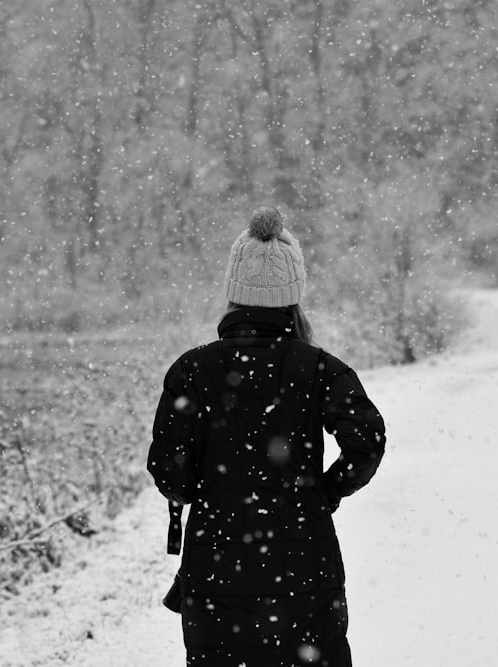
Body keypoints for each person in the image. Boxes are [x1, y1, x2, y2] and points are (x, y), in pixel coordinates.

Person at [148, 206, 386, 667]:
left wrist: (215, 496)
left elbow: (170, 473)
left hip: (216, 565)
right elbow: (366, 442)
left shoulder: (192, 370)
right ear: (294, 298)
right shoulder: (320, 369)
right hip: (305, 563)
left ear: (234, 295)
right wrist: (324, 493)